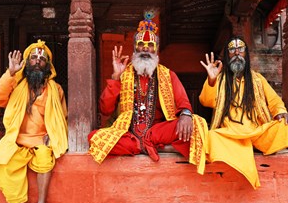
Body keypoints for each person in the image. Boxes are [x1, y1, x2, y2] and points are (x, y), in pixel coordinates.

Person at [88, 10, 208, 174]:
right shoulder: (124, 75)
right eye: (141, 46)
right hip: (128, 136)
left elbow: (184, 103)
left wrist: (186, 115)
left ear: (156, 50)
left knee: (195, 124)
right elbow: (105, 110)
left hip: (157, 133)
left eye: (150, 46)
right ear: (135, 50)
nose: (145, 49)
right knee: (94, 138)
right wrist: (115, 77)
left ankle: (147, 142)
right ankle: (141, 145)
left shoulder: (167, 74)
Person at [0, 39, 68, 203]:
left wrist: (54, 132)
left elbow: (62, 116)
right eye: (33, 58)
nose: (38, 61)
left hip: (41, 139)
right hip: (17, 139)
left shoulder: (55, 89)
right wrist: (10, 73)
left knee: (44, 159)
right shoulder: (15, 84)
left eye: (42, 59)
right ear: (26, 62)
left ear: (48, 64)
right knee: (4, 164)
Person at [199, 36, 288, 189]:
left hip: (256, 131)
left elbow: (274, 101)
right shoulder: (220, 79)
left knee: (283, 125)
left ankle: (249, 145)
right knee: (210, 137)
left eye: (240, 49)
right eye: (232, 49)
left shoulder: (257, 79)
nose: (236, 53)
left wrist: (281, 112)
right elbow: (205, 101)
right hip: (230, 133)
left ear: (246, 54)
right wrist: (211, 80)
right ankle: (246, 148)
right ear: (227, 55)